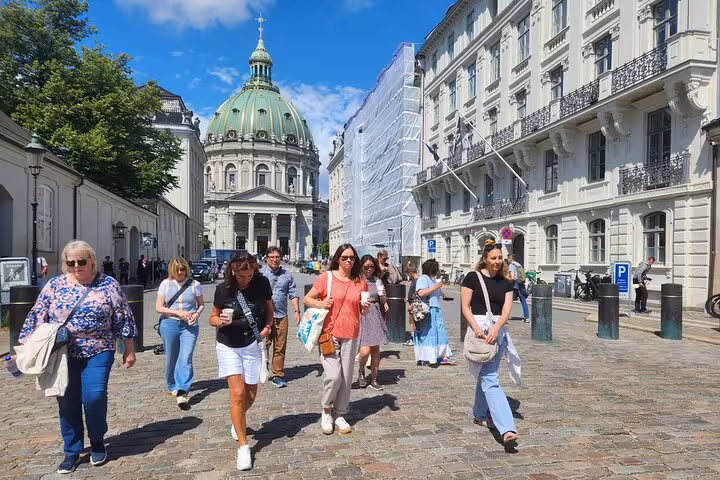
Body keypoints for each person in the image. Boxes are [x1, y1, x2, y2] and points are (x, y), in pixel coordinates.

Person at [18, 240, 137, 473]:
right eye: (70, 262)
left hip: (99, 348)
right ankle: (71, 451)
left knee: (94, 395)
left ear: (92, 260)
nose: (76, 266)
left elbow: (123, 316)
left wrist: (129, 349)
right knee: (67, 401)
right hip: (62, 353)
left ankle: (97, 441)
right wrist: (24, 347)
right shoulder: (54, 285)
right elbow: (37, 314)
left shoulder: (108, 285)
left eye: (81, 261)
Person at [208, 252, 272, 471]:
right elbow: (212, 317)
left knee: (251, 392)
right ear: (233, 271)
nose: (246, 279)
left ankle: (238, 419)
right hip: (227, 344)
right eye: (241, 275)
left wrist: (268, 327)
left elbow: (269, 308)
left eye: (249, 274)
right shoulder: (223, 289)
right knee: (237, 393)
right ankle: (244, 447)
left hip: (252, 342)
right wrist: (220, 321)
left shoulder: (261, 283)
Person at [461, 242, 521, 449]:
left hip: (498, 334)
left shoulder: (506, 282)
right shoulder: (472, 277)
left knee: (487, 376)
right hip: (479, 332)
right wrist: (477, 327)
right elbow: (465, 306)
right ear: (485, 258)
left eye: (499, 258)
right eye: (493, 258)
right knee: (490, 380)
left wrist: (497, 327)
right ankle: (506, 428)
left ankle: (479, 414)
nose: (497, 262)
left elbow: (506, 311)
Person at [304, 244, 369, 435]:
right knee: (334, 375)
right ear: (337, 259)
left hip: (351, 333)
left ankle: (340, 413)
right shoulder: (327, 277)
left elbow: (363, 308)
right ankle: (326, 409)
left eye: (352, 258)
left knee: (347, 377)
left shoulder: (360, 281)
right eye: (345, 257)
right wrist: (321, 303)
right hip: (329, 333)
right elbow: (308, 299)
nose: (349, 261)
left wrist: (365, 308)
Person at [155, 257, 204, 409]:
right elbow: (159, 307)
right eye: (177, 270)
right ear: (172, 270)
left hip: (189, 325)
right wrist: (177, 313)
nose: (181, 272)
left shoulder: (195, 285)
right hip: (170, 324)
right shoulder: (166, 284)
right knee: (171, 356)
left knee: (186, 356)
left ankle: (183, 390)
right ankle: (172, 384)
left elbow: (201, 305)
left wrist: (196, 313)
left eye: (183, 269)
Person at [259, 246, 300, 388]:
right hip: (263, 317)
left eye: (277, 257)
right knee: (264, 345)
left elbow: (293, 294)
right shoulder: (259, 274)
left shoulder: (287, 275)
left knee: (280, 346)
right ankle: (262, 368)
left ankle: (277, 374)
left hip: (281, 315)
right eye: (272, 257)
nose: (275, 260)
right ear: (266, 258)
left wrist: (296, 311)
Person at [413, 258, 454, 366]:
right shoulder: (423, 278)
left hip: (436, 309)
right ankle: (426, 357)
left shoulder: (432, 280)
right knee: (429, 334)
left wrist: (443, 294)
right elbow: (421, 293)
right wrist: (435, 287)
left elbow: (436, 291)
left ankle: (441, 355)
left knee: (440, 333)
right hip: (428, 309)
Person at [356, 255, 389, 390]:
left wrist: (385, 301)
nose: (369, 269)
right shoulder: (356, 281)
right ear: (361, 267)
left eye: (372, 267)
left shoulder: (377, 281)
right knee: (364, 351)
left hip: (374, 314)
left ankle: (374, 378)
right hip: (361, 315)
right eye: (366, 267)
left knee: (376, 349)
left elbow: (382, 298)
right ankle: (361, 370)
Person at [507, 254, 529, 323]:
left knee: (508, 301)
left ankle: (505, 318)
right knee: (523, 301)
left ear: (510, 259)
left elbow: (512, 277)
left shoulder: (511, 265)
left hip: (515, 286)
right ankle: (527, 317)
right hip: (521, 284)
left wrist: (507, 278)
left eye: (508, 259)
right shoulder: (519, 264)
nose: (507, 260)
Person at [404, 263, 419, 347]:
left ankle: (413, 339)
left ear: (410, 273)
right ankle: (414, 338)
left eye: (407, 274)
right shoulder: (415, 281)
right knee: (412, 322)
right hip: (411, 302)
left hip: (412, 305)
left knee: (412, 322)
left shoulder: (416, 281)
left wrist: (411, 304)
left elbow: (416, 294)